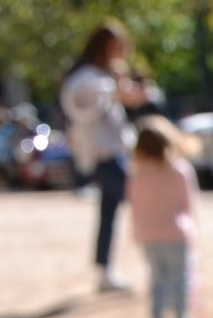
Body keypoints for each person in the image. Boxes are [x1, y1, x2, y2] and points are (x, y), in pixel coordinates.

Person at [59, 20, 148, 291]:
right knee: (142, 202)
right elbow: (90, 101)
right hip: (104, 156)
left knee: (109, 212)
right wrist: (120, 89)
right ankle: (161, 260)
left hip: (112, 153)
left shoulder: (101, 77)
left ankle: (104, 270)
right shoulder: (89, 79)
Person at [129, 116, 203, 318]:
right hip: (175, 232)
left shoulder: (138, 173)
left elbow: (135, 205)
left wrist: (137, 230)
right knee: (181, 279)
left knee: (157, 279)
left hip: (148, 234)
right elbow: (188, 205)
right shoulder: (180, 170)